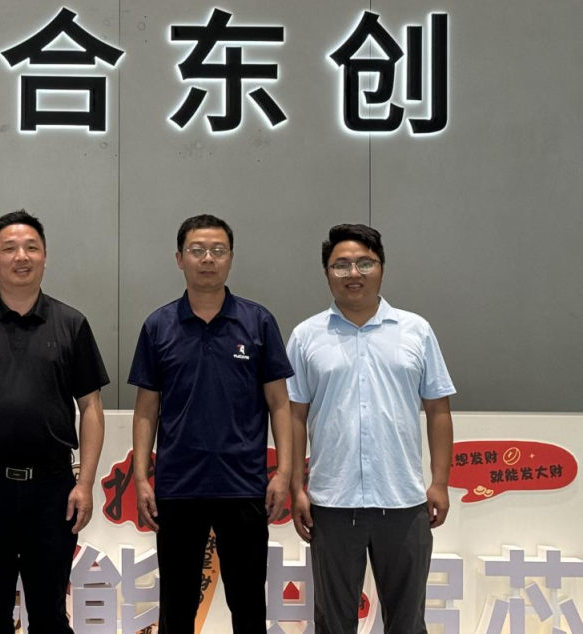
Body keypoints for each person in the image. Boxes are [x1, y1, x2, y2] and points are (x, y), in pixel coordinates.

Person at [0, 209, 109, 634]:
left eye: (31, 247)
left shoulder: (71, 323)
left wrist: (85, 484)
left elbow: (91, 408)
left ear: (45, 257)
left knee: (50, 614)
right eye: (9, 248)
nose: (21, 256)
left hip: (52, 489)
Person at [128, 214, 294, 634]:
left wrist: (284, 473)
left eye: (218, 251)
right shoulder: (158, 325)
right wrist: (142, 478)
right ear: (179, 258)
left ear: (231, 258)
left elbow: (279, 404)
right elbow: (146, 409)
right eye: (197, 250)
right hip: (179, 486)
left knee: (248, 605)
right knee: (177, 606)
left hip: (244, 484)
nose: (208, 259)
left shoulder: (258, 322)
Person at [287, 224, 455, 634]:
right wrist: (295, 487)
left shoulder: (416, 330)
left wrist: (439, 482)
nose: (353, 273)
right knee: (333, 622)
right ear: (326, 272)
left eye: (365, 263)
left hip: (403, 501)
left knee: (407, 621)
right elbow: (293, 416)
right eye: (341, 265)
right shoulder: (306, 336)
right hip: (332, 501)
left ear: (381, 267)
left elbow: (438, 409)